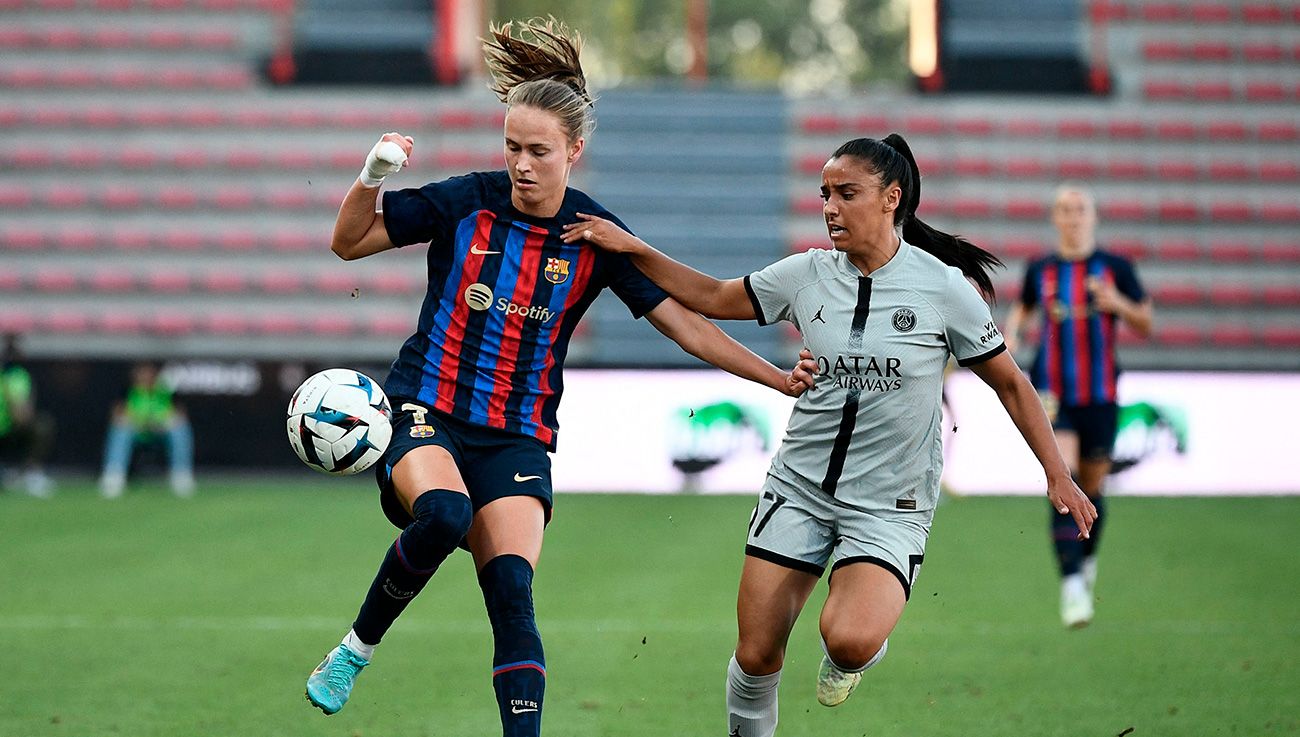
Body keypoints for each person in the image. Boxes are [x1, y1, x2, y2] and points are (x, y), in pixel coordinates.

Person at [303, 17, 817, 737]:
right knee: (445, 513)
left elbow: (688, 325)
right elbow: (347, 241)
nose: (521, 163)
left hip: (516, 435)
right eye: (511, 146)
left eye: (538, 151)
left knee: (512, 593)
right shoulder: (465, 200)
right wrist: (373, 177)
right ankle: (355, 650)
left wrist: (775, 379)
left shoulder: (595, 236)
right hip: (426, 408)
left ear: (574, 150)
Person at [564, 134, 1097, 737]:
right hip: (800, 486)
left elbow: (1012, 385)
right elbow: (710, 297)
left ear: (891, 198)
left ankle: (859, 656)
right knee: (757, 653)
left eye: (847, 194)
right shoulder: (806, 275)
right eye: (824, 195)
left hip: (890, 503)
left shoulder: (945, 288)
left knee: (846, 639)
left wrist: (1058, 473)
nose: (830, 208)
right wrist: (632, 247)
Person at [1003, 182, 1153, 628]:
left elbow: (1146, 320)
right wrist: (1012, 333)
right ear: (1055, 218)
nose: (1072, 217)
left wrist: (1117, 304)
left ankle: (1085, 560)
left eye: (1079, 209)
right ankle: (1071, 583)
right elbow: (1023, 309)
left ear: (1093, 216)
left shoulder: (1116, 268)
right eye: (1064, 210)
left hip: (1101, 395)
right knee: (1063, 482)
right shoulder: (1041, 269)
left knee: (1094, 488)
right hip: (1050, 392)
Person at [98, 362, 196, 498]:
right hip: (136, 432)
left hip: (160, 433)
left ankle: (181, 475)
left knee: (179, 429)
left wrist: (167, 421)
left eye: (149, 372)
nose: (145, 376)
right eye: (141, 372)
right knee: (120, 430)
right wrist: (131, 420)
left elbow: (180, 413)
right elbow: (116, 413)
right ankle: (114, 476)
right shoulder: (127, 390)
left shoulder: (166, 389)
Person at [0, 333, 55, 497]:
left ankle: (28, 473)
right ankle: (28, 474)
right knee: (42, 425)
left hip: (7, 430)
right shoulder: (16, 375)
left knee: (40, 425)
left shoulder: (14, 375)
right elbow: (20, 413)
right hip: (8, 429)